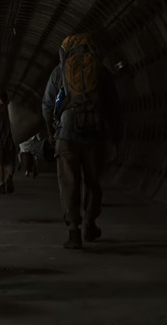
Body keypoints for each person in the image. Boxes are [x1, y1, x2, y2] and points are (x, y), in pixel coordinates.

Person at [42, 33, 122, 249]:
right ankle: (90, 223)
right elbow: (113, 108)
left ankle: (74, 231)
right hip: (94, 134)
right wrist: (115, 138)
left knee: (69, 182)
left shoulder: (59, 72)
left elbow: (47, 105)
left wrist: (51, 132)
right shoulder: (101, 72)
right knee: (93, 182)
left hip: (66, 135)